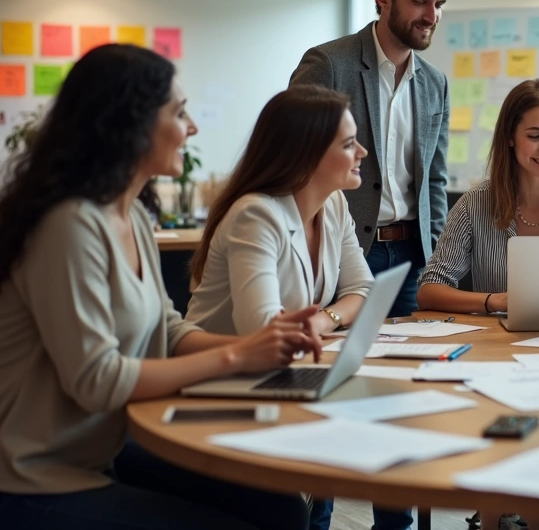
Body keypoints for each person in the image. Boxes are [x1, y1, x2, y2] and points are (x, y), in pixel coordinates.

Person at [0, 44, 318, 530]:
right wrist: (236, 358)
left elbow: (166, 329)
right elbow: (96, 379)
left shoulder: (130, 216)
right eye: (179, 112)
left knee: (282, 508)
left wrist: (257, 346)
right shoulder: (68, 224)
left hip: (101, 447)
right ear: (130, 122)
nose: (191, 128)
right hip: (35, 477)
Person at [290, 0, 453, 322]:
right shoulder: (328, 64)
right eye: (419, 1)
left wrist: (438, 257)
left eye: (439, 4)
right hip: (349, 253)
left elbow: (434, 179)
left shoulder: (435, 83)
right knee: (340, 364)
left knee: (411, 365)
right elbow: (294, 163)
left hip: (414, 257)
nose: (432, 16)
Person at [187, 85, 373, 338]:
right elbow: (261, 328)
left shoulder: (334, 204)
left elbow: (362, 289)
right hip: (221, 371)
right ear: (307, 155)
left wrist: (322, 322)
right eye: (349, 144)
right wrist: (318, 325)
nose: (362, 152)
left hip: (279, 363)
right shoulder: (255, 214)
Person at [417, 78, 539, 312]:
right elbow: (429, 291)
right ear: (510, 137)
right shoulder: (474, 205)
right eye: (534, 136)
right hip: (498, 341)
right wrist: (493, 301)